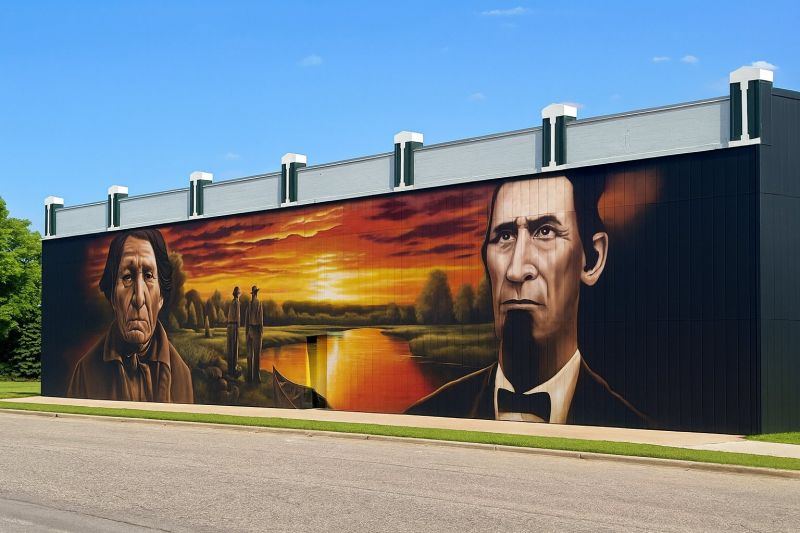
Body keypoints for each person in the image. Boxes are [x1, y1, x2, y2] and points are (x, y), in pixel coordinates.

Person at [406, 174, 651, 428]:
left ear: (592, 259)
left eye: (545, 232)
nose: (516, 269)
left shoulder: (633, 426)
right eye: (504, 236)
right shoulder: (425, 415)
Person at [67, 229, 193, 403]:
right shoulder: (86, 372)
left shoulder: (181, 374)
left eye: (149, 276)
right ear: (112, 297)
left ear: (161, 297)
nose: (139, 298)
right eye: (127, 277)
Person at [245, 285, 263, 383]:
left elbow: (247, 319)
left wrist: (247, 332)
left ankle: (250, 376)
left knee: (250, 354)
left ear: (253, 293)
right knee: (256, 354)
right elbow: (261, 320)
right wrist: (261, 332)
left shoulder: (250, 304)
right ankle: (256, 377)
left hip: (251, 329)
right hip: (256, 330)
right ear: (256, 293)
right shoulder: (259, 303)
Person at [226, 286, 241, 376]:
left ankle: (230, 369)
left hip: (229, 326)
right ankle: (234, 370)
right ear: (238, 294)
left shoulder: (231, 302)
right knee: (235, 347)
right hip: (234, 326)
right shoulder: (237, 303)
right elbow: (238, 316)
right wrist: (238, 327)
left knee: (230, 347)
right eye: (239, 293)